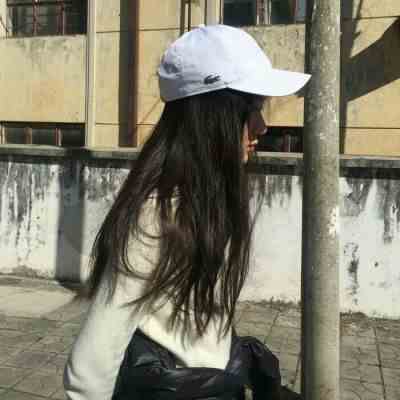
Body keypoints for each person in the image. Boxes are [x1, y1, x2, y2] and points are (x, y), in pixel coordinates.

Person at [63, 24, 310, 400]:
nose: (263, 126)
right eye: (252, 110)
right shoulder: (156, 214)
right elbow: (89, 367)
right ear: (209, 117)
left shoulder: (209, 198)